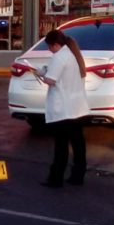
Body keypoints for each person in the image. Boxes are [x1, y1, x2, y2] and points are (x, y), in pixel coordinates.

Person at [36, 29, 89, 187]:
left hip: (63, 109)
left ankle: (56, 178)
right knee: (78, 144)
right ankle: (78, 176)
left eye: (49, 47)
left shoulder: (59, 57)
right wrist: (46, 70)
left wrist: (40, 74)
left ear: (55, 44)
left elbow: (51, 80)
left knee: (61, 146)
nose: (49, 50)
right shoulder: (73, 55)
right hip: (78, 108)